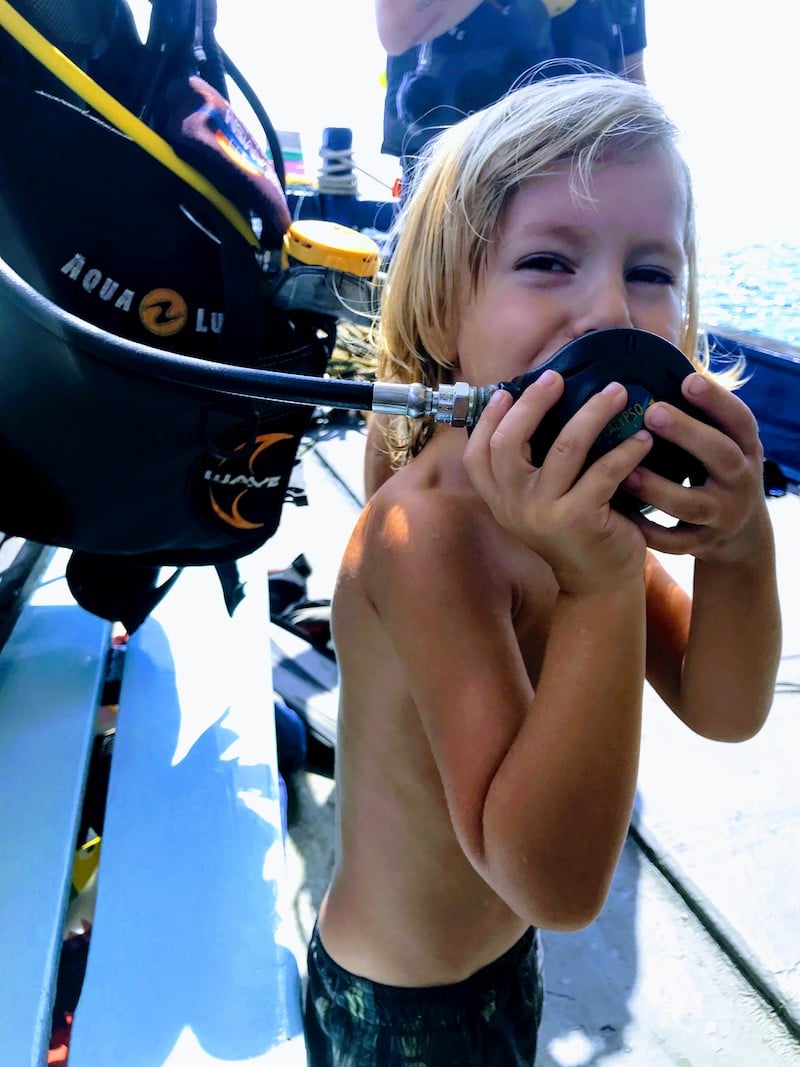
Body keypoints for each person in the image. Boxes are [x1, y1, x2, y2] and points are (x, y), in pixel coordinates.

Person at [303, 74, 782, 1065]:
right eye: (548, 261)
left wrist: (739, 547)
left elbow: (722, 703)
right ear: (443, 314)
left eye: (650, 271)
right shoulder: (426, 534)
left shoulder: (576, 507)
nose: (608, 306)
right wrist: (601, 585)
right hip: (400, 1008)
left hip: (494, 959)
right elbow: (558, 887)